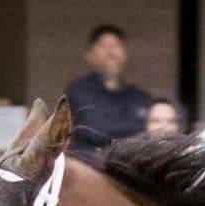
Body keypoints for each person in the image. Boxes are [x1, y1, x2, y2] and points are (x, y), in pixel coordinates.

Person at [65, 24, 151, 153]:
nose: (111, 52)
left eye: (116, 45)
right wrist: (135, 134)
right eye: (103, 45)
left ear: (125, 53)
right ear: (89, 54)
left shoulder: (141, 96)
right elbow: (95, 130)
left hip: (131, 166)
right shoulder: (77, 91)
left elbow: (153, 135)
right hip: (90, 166)